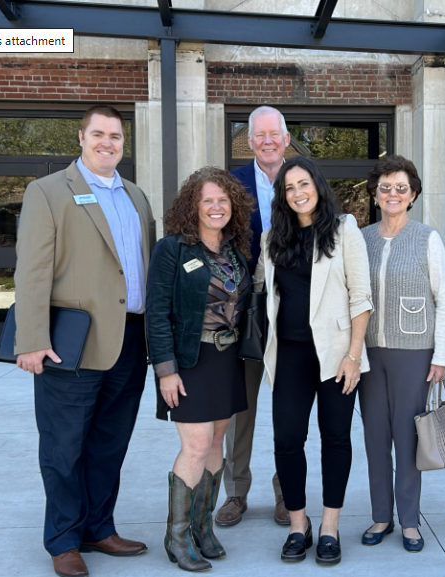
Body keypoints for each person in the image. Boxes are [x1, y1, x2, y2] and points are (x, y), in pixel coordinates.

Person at [14, 105, 155, 577]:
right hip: (69, 343)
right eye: (98, 134)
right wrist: (31, 339)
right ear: (81, 137)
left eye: (115, 136)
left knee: (109, 444)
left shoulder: (137, 197)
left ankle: (99, 527)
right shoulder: (49, 192)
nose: (107, 143)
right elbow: (32, 270)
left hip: (130, 341)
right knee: (63, 446)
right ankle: (63, 539)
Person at [256, 155, 372, 565]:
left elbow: (361, 298)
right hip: (288, 353)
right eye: (289, 188)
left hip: (337, 355)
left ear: (318, 186)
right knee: (287, 440)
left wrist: (354, 356)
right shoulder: (273, 238)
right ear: (282, 196)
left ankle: (329, 526)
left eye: (303, 184)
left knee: (335, 438)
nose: (297, 193)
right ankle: (298, 525)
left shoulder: (344, 230)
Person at [145, 167, 254, 572]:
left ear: (233, 206)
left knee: (215, 443)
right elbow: (157, 313)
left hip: (227, 361)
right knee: (195, 445)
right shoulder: (172, 248)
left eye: (223, 200)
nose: (215, 206)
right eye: (207, 199)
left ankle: (202, 527)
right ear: (193, 205)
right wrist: (165, 370)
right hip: (188, 361)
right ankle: (176, 538)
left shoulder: (235, 250)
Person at [358, 155, 445, 553]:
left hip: (414, 353)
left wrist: (441, 356)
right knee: (375, 438)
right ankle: (382, 515)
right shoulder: (361, 239)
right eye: (385, 187)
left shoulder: (427, 237)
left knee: (407, 439)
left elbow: (444, 300)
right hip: (367, 354)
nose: (393, 194)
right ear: (375, 194)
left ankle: (410, 521)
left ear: (412, 195)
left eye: (401, 187)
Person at [218, 105, 290, 527]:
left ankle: (286, 492)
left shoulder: (304, 181)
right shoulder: (232, 185)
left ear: (285, 138)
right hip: (243, 314)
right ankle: (236, 493)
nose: (267, 141)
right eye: (259, 135)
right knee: (240, 410)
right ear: (250, 142)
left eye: (274, 134)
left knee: (287, 409)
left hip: (291, 315)